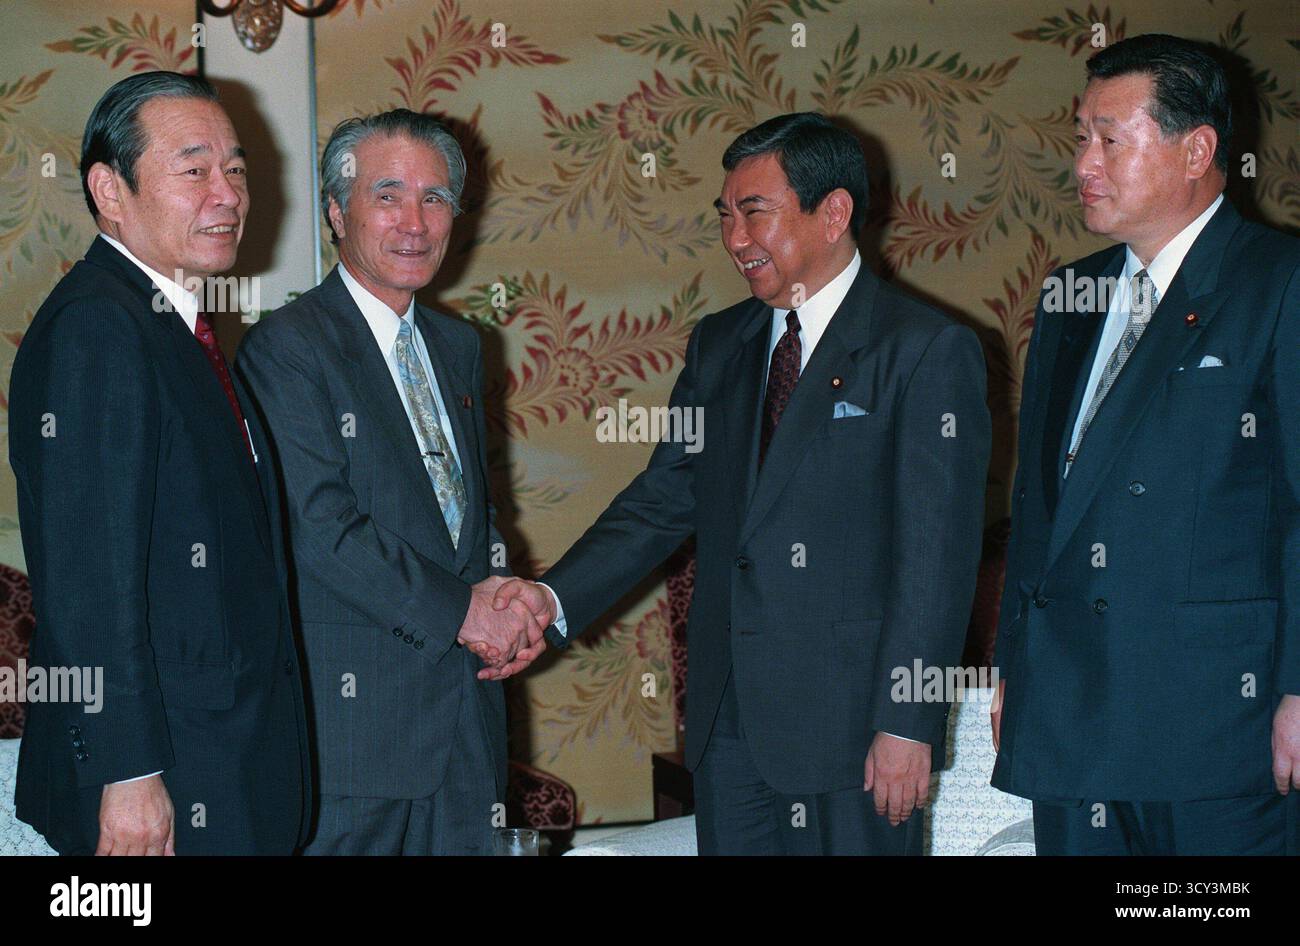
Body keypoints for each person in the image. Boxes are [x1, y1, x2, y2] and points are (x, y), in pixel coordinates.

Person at [496, 112, 990, 854]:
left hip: (858, 732)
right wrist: (552, 599)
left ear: (833, 213)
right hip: (730, 727)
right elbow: (663, 500)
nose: (734, 238)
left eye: (754, 212)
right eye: (725, 216)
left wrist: (906, 723)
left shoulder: (924, 349)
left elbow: (937, 559)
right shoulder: (719, 344)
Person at [990, 33, 1300, 855]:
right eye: (1080, 138)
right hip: (1068, 709)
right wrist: (1014, 664)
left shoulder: (1279, 282)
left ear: (1196, 151)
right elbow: (1038, 506)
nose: (1083, 164)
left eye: (1109, 140)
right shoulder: (1071, 294)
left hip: (1216, 721)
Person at [9, 71, 310, 855]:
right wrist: (129, 772)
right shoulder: (98, 328)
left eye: (235, 169)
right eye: (194, 169)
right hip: (164, 778)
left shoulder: (169, 325)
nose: (228, 194)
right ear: (110, 190)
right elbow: (88, 574)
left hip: (222, 759)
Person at [236, 109, 544, 856]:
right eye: (387, 195)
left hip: (467, 725)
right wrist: (465, 614)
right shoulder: (287, 348)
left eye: (435, 198)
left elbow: (465, 515)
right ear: (337, 213)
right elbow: (319, 529)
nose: (415, 222)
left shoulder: (460, 344)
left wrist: (508, 603)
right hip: (356, 739)